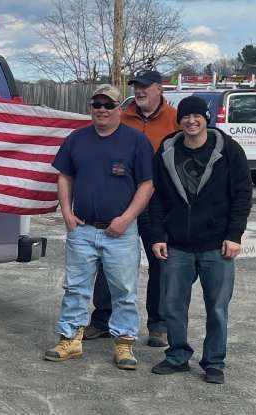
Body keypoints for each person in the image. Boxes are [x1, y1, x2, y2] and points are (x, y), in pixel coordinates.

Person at [43, 85, 154, 370]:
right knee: (76, 288)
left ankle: (124, 344)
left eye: (108, 104)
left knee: (124, 290)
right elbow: (65, 176)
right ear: (91, 107)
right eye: (97, 104)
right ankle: (70, 339)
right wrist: (66, 212)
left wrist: (126, 219)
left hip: (121, 232)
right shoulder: (76, 139)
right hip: (82, 230)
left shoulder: (136, 141)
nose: (102, 109)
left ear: (120, 109)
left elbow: (147, 185)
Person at [148, 96, 253, 384]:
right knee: (172, 305)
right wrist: (158, 235)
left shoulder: (228, 150)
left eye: (197, 116)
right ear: (179, 120)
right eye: (185, 116)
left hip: (216, 245)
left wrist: (234, 235)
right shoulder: (167, 150)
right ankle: (177, 356)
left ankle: (214, 362)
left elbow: (243, 194)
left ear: (207, 118)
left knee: (217, 308)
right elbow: (156, 197)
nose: (191, 121)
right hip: (177, 244)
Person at [86, 69, 178, 347]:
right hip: (121, 203)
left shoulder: (175, 120)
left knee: (160, 261)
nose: (139, 91)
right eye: (136, 86)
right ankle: (103, 319)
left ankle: (158, 325)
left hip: (157, 203)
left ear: (159, 89)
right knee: (108, 262)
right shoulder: (120, 115)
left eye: (145, 87)